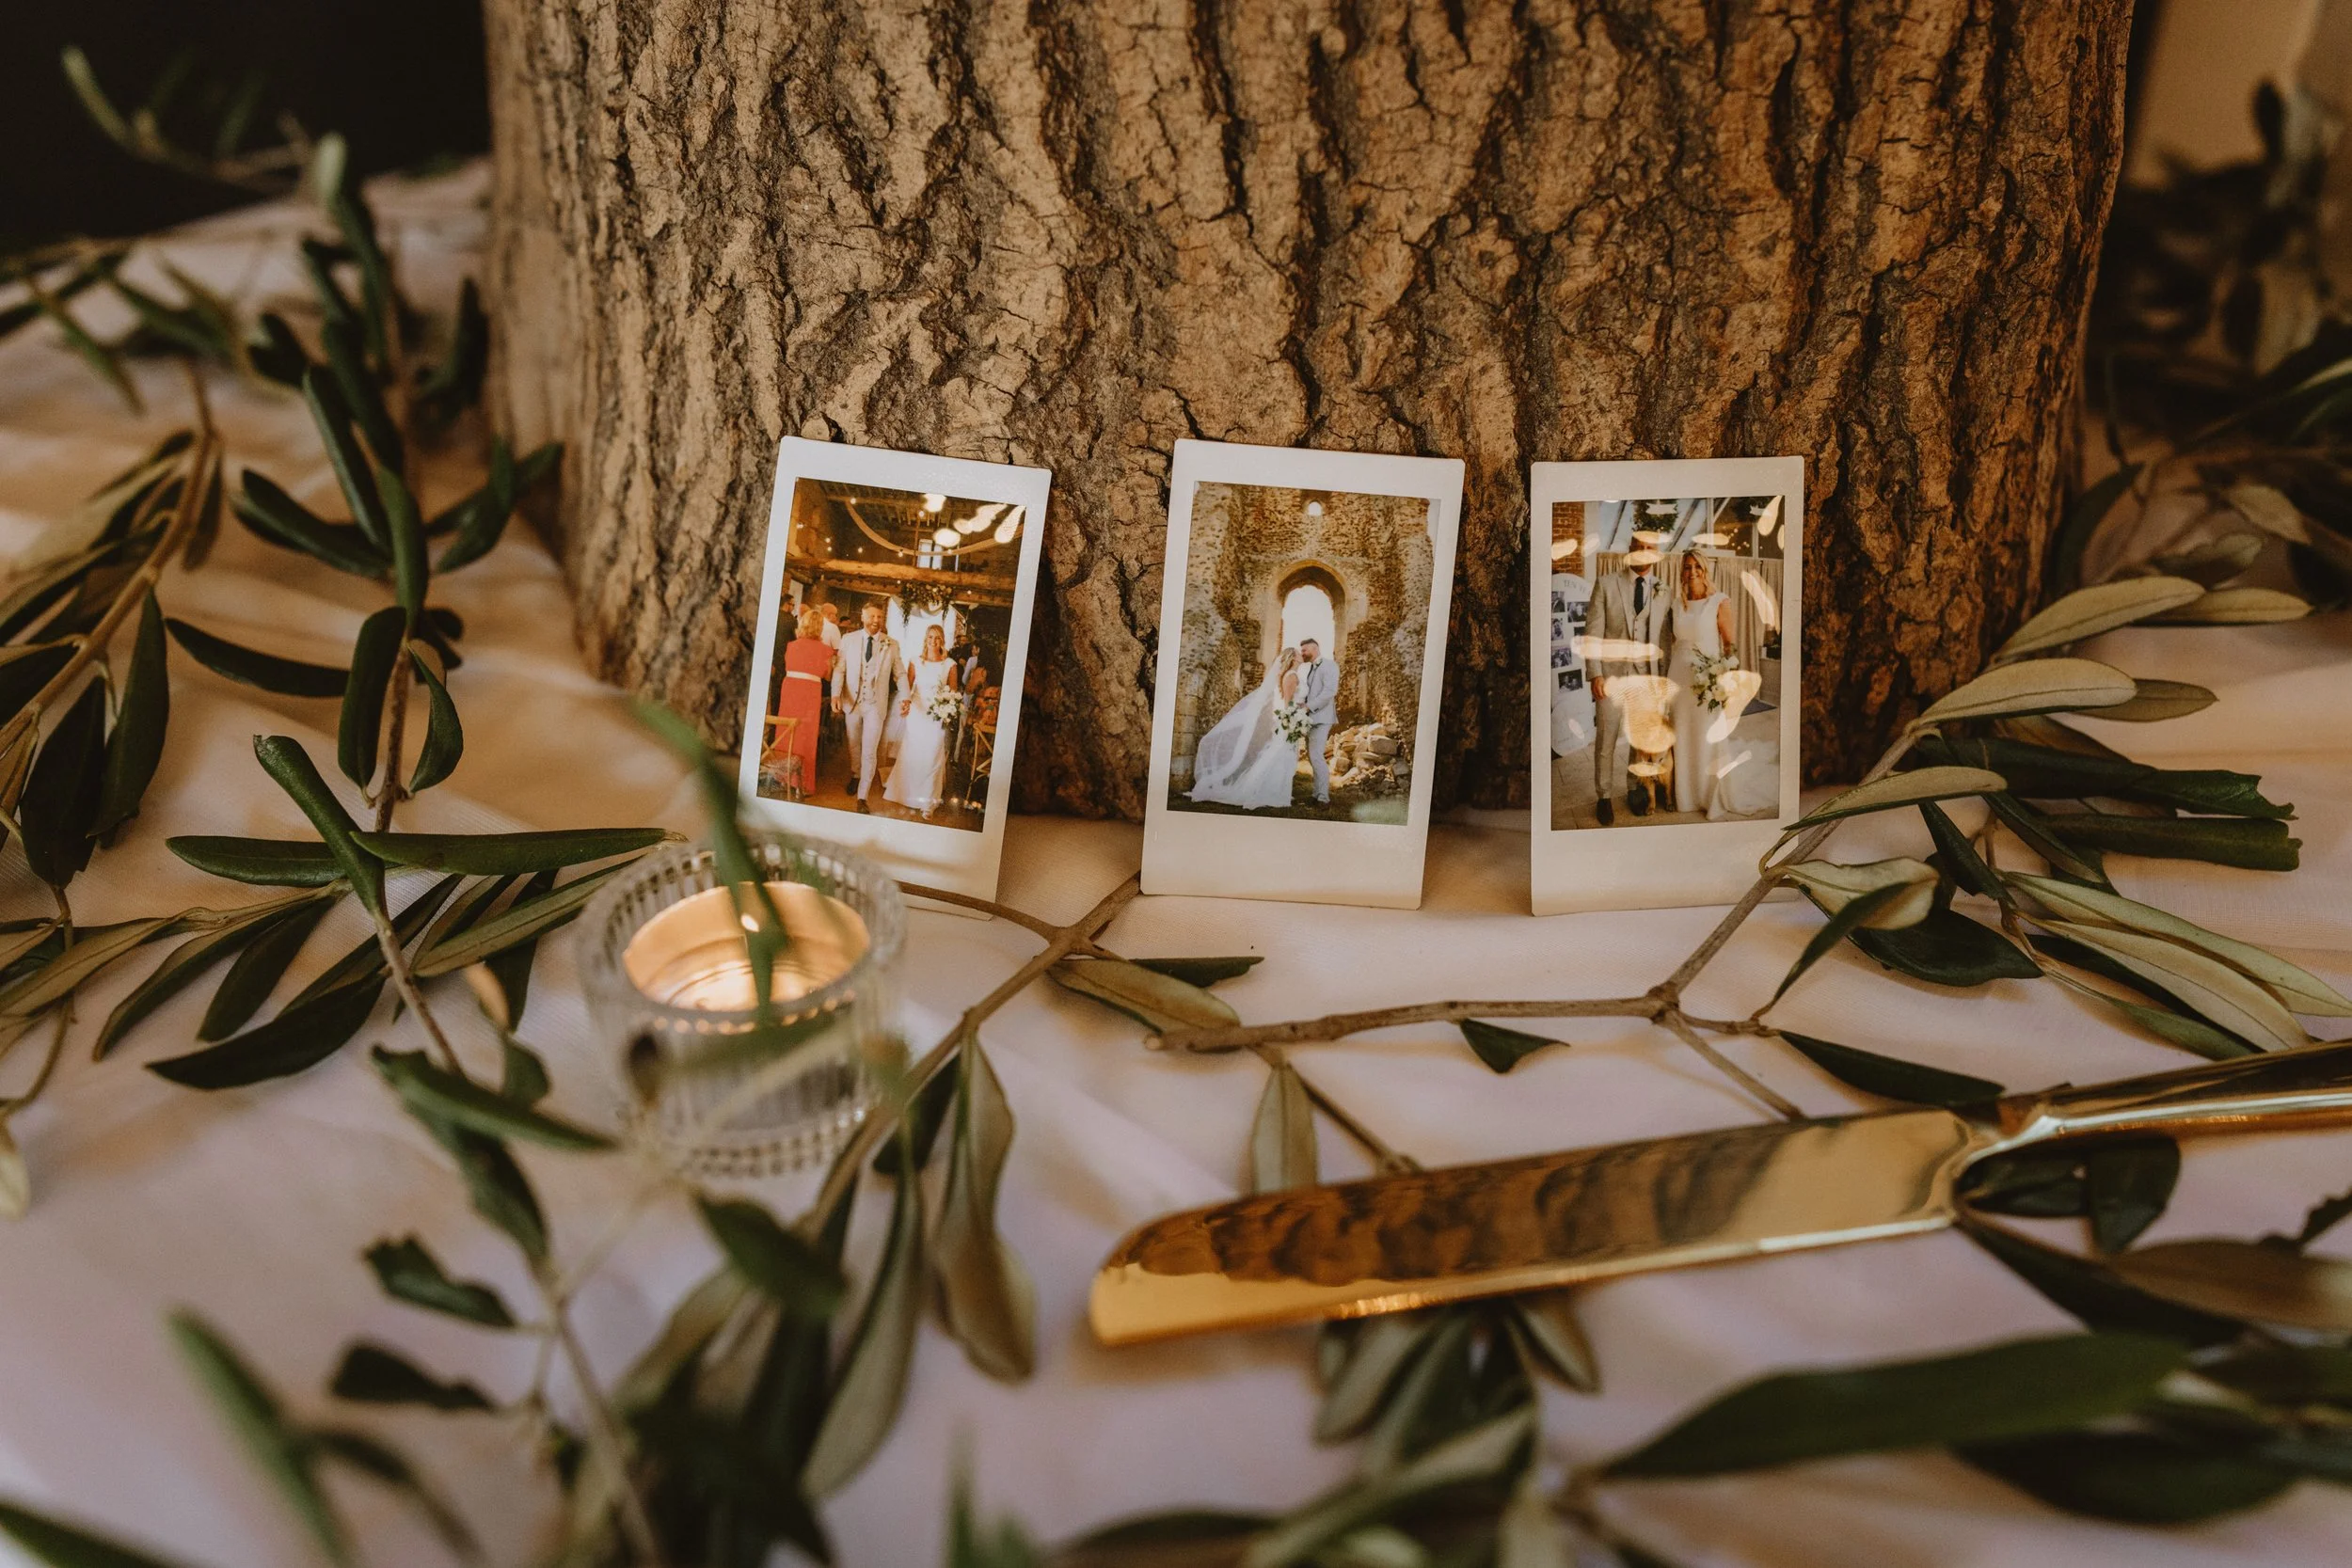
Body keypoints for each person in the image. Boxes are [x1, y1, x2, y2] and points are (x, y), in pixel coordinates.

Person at [1584, 545, 1673, 823]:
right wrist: (1595, 672)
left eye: (1651, 547)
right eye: (1640, 546)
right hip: (1611, 676)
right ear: (1631, 548)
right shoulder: (1607, 583)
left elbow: (1666, 639)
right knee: (1606, 739)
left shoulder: (1663, 589)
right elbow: (1593, 631)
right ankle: (1604, 796)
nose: (1644, 552)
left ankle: (1635, 788)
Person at [1186, 646, 1304, 810]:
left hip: (1284, 720)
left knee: (1277, 754)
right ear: (1292, 658)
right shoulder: (1292, 676)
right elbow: (1288, 703)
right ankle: (1269, 791)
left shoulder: (1287, 675)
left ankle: (1272, 790)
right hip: (1288, 720)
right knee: (1280, 755)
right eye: (1298, 653)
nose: (1301, 655)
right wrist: (1296, 717)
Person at [1667, 553, 1739, 818]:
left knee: (1708, 736)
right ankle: (1685, 797)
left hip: (1707, 682)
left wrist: (1725, 678)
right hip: (1679, 678)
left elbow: (1730, 645)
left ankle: (1710, 796)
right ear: (1682, 573)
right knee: (1682, 735)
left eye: (1697, 566)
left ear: (1705, 570)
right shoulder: (1676, 604)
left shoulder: (1720, 601)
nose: (1693, 571)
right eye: (1687, 567)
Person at [834, 604, 902, 812]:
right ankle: (856, 773)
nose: (876, 619)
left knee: (869, 750)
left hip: (875, 704)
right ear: (863, 617)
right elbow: (839, 669)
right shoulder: (849, 639)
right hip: (852, 702)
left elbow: (899, 673)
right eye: (872, 616)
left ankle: (862, 797)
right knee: (854, 744)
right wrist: (836, 693)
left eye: (879, 616)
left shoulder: (891, 644)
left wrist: (905, 696)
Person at [885, 625, 957, 818]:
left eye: (938, 638)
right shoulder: (916, 661)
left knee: (933, 753)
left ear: (943, 640)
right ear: (926, 639)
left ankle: (928, 801)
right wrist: (905, 704)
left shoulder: (950, 664)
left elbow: (953, 692)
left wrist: (947, 710)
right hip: (917, 712)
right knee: (914, 752)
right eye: (930, 637)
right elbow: (907, 686)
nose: (934, 641)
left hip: (937, 714)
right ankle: (907, 794)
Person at [765, 607, 830, 797]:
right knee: (806, 737)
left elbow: (787, 665)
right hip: (810, 692)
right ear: (820, 628)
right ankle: (802, 783)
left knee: (787, 732)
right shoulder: (825, 650)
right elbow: (827, 674)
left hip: (790, 689)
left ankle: (782, 778)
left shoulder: (791, 646)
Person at [1295, 636, 1340, 805]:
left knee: (1316, 756)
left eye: (1304, 650)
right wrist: (1303, 705)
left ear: (1314, 649)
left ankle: (1323, 798)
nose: (1303, 653)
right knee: (1313, 756)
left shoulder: (1329, 666)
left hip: (1322, 718)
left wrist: (1308, 706)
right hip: (1311, 718)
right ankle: (1316, 794)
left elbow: (1329, 692)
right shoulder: (1311, 668)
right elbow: (1312, 691)